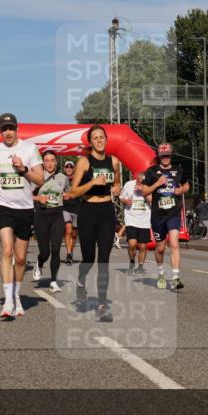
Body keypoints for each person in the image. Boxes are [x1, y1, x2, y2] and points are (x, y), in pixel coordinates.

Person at [0, 113, 44, 318]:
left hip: (25, 208)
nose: (8, 132)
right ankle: (8, 301)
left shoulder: (29, 148)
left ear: (17, 129)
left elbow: (40, 179)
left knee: (20, 258)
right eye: (4, 129)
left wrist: (23, 169)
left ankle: (16, 296)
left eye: (11, 128)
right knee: (7, 250)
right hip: (3, 206)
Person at [69, 125, 123, 323]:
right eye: (95, 138)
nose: (99, 140)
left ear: (106, 139)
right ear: (90, 142)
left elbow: (117, 182)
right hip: (88, 211)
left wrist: (116, 188)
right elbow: (73, 192)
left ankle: (102, 305)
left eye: (102, 137)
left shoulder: (114, 161)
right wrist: (92, 183)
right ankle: (81, 279)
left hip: (106, 211)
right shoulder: (84, 162)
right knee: (89, 258)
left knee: (103, 260)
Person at [143, 143, 189, 290]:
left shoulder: (178, 170)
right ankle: (161, 273)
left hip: (173, 213)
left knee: (174, 243)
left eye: (167, 155)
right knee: (160, 248)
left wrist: (181, 190)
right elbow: (144, 191)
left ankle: (175, 277)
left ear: (171, 155)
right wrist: (157, 183)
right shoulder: (151, 172)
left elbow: (186, 185)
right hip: (158, 215)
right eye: (163, 156)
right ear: (159, 156)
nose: (165, 158)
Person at [32, 150, 73, 293]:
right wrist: (38, 198)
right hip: (41, 216)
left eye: (52, 160)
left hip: (57, 216)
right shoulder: (37, 177)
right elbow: (25, 195)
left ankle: (54, 281)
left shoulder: (63, 178)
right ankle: (39, 262)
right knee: (45, 252)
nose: (49, 163)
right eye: (46, 161)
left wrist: (68, 195)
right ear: (43, 163)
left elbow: (69, 192)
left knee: (56, 250)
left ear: (56, 162)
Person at [120, 171, 152, 275]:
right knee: (132, 243)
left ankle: (140, 267)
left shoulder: (149, 186)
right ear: (136, 177)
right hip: (131, 219)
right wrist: (126, 201)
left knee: (143, 246)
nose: (141, 181)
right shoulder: (128, 184)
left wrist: (143, 190)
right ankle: (132, 262)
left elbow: (151, 200)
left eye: (143, 180)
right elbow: (121, 197)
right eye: (139, 179)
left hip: (144, 220)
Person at [62, 159, 80, 263]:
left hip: (77, 208)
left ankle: (70, 253)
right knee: (68, 229)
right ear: (64, 169)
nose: (69, 168)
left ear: (74, 169)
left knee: (74, 234)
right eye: (67, 167)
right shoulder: (61, 179)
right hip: (65, 208)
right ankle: (68, 253)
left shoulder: (78, 179)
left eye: (71, 167)